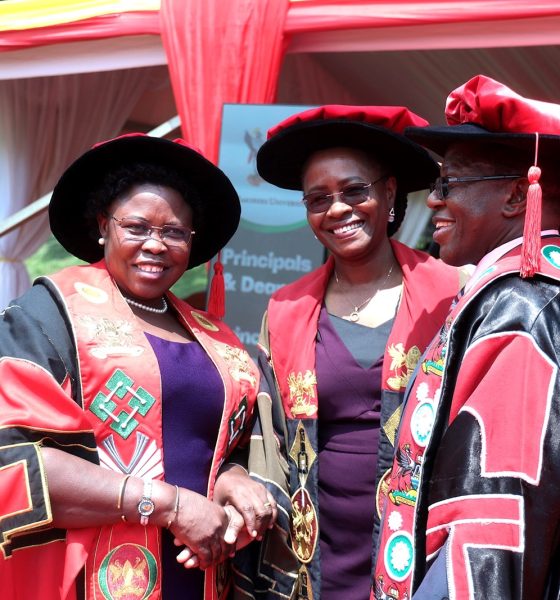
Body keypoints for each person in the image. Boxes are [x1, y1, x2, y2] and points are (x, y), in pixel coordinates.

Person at [0, 134, 277, 600]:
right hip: (90, 575)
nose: (155, 245)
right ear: (103, 226)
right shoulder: (49, 315)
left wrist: (234, 479)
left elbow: (219, 445)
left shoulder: (214, 337)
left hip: (201, 571)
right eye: (137, 227)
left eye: (174, 232)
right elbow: (12, 460)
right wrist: (170, 505)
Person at [232, 105, 465, 599]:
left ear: (389, 193)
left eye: (355, 191)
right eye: (318, 199)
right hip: (315, 549)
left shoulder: (454, 293)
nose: (337, 210)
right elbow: (267, 436)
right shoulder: (286, 309)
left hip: (426, 540)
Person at [374, 75, 560, 600]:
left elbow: (494, 512)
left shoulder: (523, 305)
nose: (433, 201)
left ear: (518, 195)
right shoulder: (521, 290)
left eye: (449, 184)